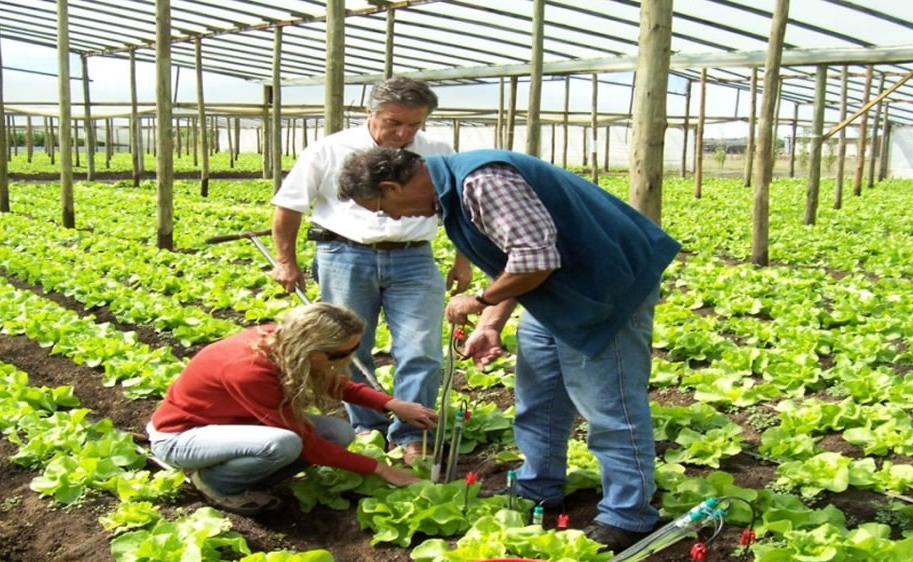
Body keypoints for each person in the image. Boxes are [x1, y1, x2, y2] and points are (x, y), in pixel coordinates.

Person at [336, 147, 682, 555]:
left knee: (610, 408)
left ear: (392, 186)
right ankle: (539, 486)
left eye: (381, 208)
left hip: (605, 289)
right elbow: (514, 261)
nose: (392, 219)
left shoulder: (481, 181)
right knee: (538, 396)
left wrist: (479, 301)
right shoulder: (454, 191)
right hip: (558, 292)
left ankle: (628, 514)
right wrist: (491, 324)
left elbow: (536, 260)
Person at [270, 76, 471, 464]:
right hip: (344, 255)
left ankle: (411, 434)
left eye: (414, 124)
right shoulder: (329, 149)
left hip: (415, 256)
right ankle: (366, 425)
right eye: (394, 122)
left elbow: (458, 208)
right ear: (370, 113)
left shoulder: (437, 152)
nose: (403, 132)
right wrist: (285, 261)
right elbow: (290, 206)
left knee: (421, 348)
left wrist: (463, 260)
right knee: (348, 348)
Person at [146, 302, 439, 516]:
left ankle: (241, 473)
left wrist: (392, 404)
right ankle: (216, 483)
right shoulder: (249, 370)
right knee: (285, 444)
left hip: (236, 425)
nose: (350, 359)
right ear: (311, 350)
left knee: (338, 432)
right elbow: (307, 444)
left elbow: (328, 381)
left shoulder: (285, 340)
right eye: (341, 354)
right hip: (180, 437)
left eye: (354, 349)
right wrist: (381, 469)